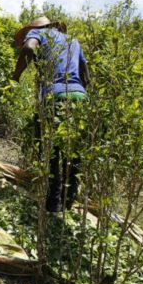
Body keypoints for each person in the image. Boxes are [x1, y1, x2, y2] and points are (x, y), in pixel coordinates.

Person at [12, 16, 89, 212]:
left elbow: (29, 48)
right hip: (80, 96)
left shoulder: (38, 33)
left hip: (53, 95)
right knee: (74, 153)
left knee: (49, 149)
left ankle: (52, 204)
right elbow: (85, 74)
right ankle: (68, 203)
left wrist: (15, 77)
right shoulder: (73, 40)